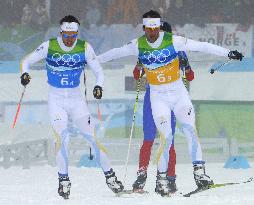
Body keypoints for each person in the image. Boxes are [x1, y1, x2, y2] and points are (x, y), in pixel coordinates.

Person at [97, 10, 243, 196]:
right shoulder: (138, 45)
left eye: (155, 29)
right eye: (149, 29)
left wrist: (227, 52)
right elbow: (115, 53)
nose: (153, 33)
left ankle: (200, 174)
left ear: (159, 27)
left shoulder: (173, 40)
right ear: (144, 29)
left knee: (191, 131)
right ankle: (162, 179)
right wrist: (90, 61)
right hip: (158, 97)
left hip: (178, 94)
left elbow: (202, 46)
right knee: (166, 139)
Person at [19, 15, 124, 199]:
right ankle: (64, 180)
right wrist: (25, 74)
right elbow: (26, 61)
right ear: (61, 32)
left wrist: (98, 86)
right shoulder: (49, 45)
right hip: (57, 101)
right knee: (62, 141)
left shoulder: (84, 47)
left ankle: (110, 177)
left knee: (93, 139)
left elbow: (98, 71)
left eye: (73, 36)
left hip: (77, 102)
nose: (69, 39)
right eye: (66, 35)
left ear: (77, 33)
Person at [132, 50, 194, 194]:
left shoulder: (178, 52)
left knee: (168, 141)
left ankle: (170, 179)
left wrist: (187, 66)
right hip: (151, 97)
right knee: (148, 138)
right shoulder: (148, 52)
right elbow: (137, 76)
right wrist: (139, 65)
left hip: (171, 98)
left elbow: (190, 77)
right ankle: (141, 177)